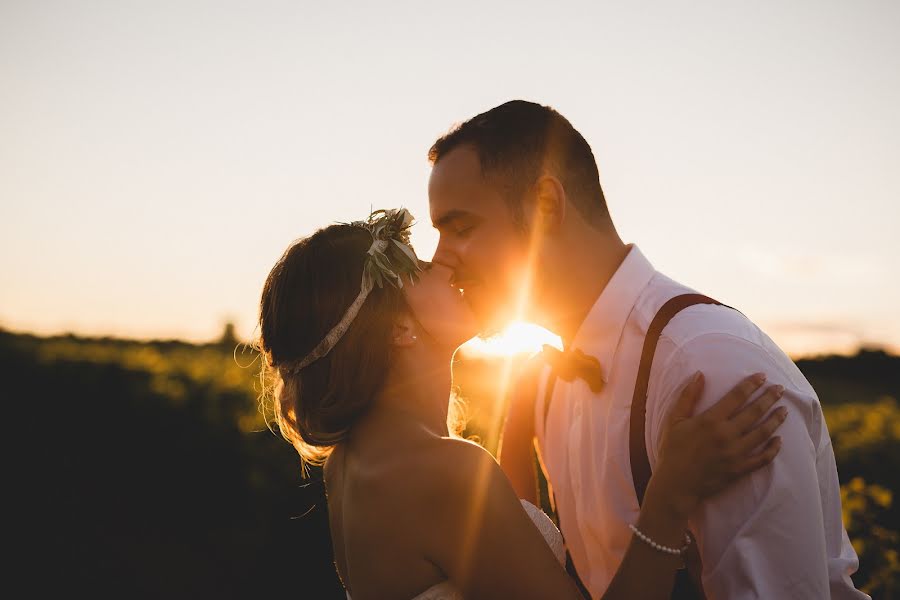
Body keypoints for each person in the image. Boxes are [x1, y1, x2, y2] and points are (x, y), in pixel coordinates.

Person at [426, 100, 868, 599]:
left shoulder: (709, 366)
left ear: (547, 206)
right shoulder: (550, 383)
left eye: (461, 229)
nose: (441, 262)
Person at [256, 208, 787, 599]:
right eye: (419, 270)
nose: (445, 265)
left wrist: (520, 423)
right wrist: (671, 494)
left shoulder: (352, 463)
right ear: (397, 329)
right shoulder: (447, 472)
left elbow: (486, 557)